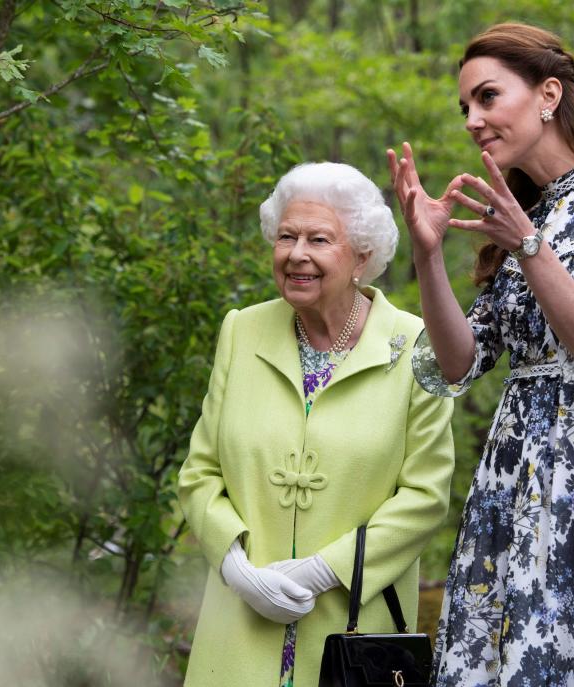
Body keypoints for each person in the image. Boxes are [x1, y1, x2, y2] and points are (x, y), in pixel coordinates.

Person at [388, 22, 574, 686]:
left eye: (488, 97)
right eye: (464, 106)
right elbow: (457, 364)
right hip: (511, 473)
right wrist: (427, 252)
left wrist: (530, 246)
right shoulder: (521, 214)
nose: (473, 119)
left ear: (549, 94)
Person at [176, 162, 455, 687]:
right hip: (240, 625)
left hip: (351, 635)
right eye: (286, 236)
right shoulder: (241, 331)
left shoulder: (417, 344)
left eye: (319, 239)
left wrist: (322, 570)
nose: (296, 254)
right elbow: (199, 472)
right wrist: (237, 569)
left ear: (362, 255)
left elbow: (426, 495)